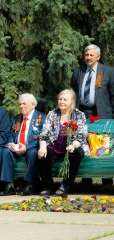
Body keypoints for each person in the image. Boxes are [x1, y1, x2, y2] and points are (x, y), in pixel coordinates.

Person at [72, 44, 114, 185]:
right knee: (85, 142)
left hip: (103, 114)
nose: (88, 57)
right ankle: (86, 178)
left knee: (103, 144)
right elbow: (74, 93)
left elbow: (113, 95)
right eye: (86, 55)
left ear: (98, 56)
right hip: (83, 113)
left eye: (91, 55)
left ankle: (107, 180)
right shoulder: (78, 71)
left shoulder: (108, 71)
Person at [38, 89, 90, 197]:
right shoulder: (52, 114)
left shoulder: (79, 115)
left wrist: (73, 145)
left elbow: (82, 134)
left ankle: (65, 186)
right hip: (55, 145)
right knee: (43, 155)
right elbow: (44, 133)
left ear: (72, 102)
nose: (62, 102)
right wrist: (42, 147)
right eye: (60, 99)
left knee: (76, 154)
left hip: (73, 145)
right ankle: (49, 187)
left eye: (65, 100)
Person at [6, 93, 46, 195]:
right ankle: (9, 184)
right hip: (16, 148)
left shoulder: (41, 118)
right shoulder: (16, 118)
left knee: (32, 153)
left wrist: (26, 147)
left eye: (24, 104)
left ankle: (29, 184)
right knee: (5, 152)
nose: (21, 106)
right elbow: (10, 134)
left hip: (31, 148)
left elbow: (43, 138)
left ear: (33, 105)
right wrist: (11, 144)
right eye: (19, 104)